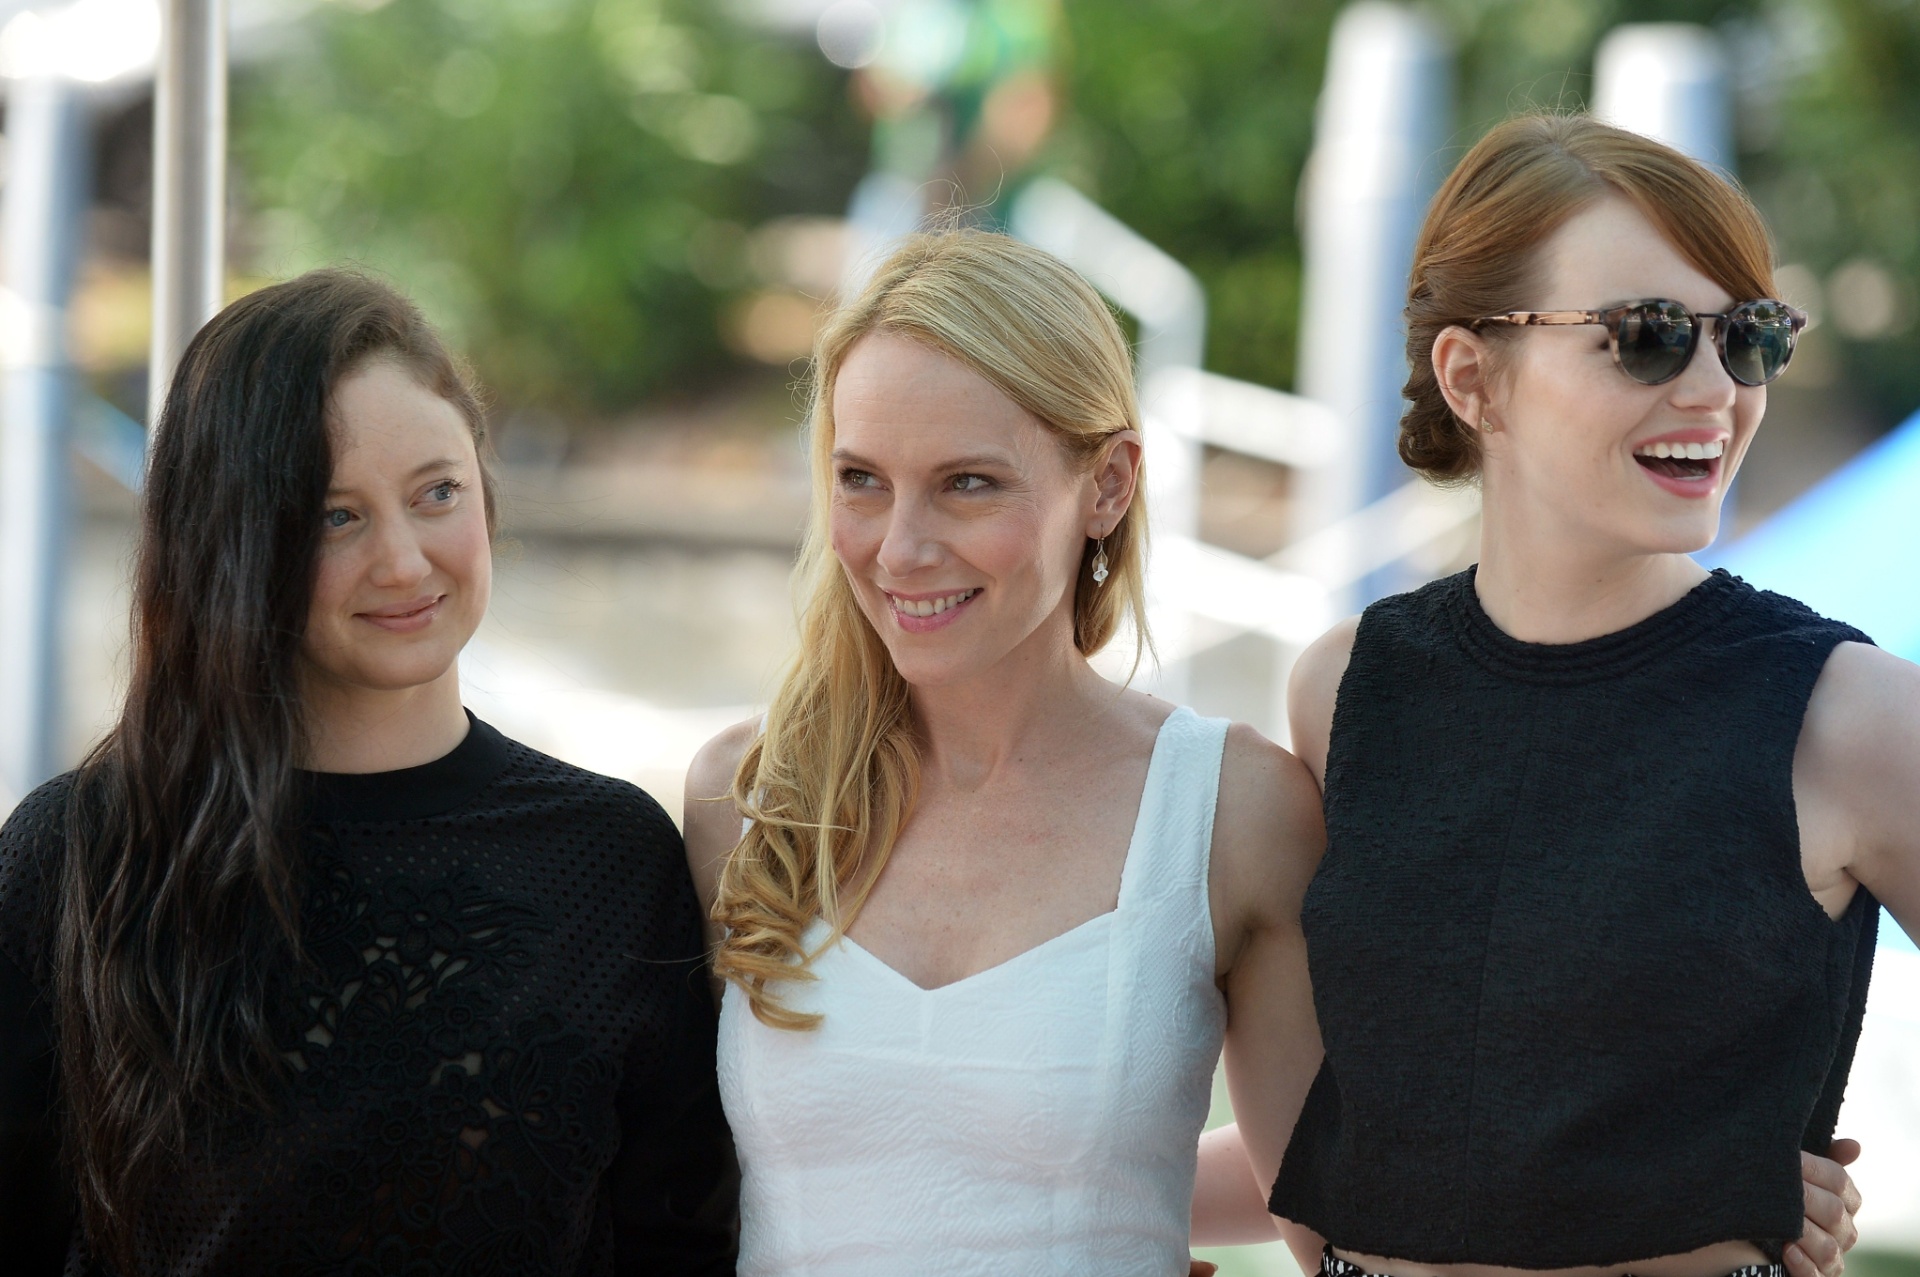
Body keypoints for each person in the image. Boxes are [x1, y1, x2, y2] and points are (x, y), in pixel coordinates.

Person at [1252, 114, 1916, 1277]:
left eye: (1749, 336)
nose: (1716, 388)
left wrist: (1729, 1176)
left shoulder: (1850, 714)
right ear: (1473, 378)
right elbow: (1389, 1143)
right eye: (1649, 336)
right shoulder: (1343, 689)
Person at [0, 271, 737, 1275]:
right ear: (234, 540)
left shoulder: (610, 856)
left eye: (438, 492)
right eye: (335, 515)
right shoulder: (78, 853)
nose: (402, 560)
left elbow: (680, 1236)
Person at [681, 229, 1328, 1276]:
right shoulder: (745, 797)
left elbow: (1335, 1226)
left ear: (1109, 483)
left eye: (968, 483)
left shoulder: (1234, 811)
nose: (899, 547)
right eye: (861, 479)